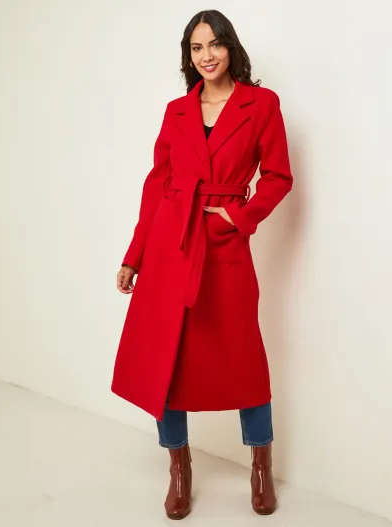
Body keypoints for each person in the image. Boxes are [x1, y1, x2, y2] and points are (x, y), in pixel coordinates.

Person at [112, 9, 293, 520]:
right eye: (196, 48)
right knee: (165, 358)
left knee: (244, 357)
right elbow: (157, 187)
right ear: (188, 56)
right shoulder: (176, 111)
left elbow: (278, 176)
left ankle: (261, 463)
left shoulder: (261, 104)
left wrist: (238, 217)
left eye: (214, 44)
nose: (206, 55)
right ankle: (179, 466)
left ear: (230, 47)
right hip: (170, 246)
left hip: (224, 245)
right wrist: (134, 256)